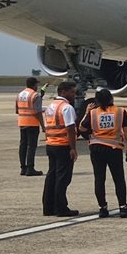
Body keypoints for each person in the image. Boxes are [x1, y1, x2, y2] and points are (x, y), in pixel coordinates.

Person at [80, 88, 127, 218]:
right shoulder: (120, 111)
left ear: (97, 101)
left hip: (96, 148)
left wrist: (86, 112)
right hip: (113, 148)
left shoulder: (93, 113)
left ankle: (102, 209)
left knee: (99, 178)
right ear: (111, 98)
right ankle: (123, 207)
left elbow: (82, 127)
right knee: (119, 178)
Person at [41, 81, 80, 216]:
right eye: (72, 92)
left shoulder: (51, 106)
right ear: (63, 92)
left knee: (51, 176)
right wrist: (73, 148)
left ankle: (48, 207)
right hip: (63, 145)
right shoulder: (66, 107)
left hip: (51, 144)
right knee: (62, 179)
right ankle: (61, 208)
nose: (74, 95)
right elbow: (70, 128)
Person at [15, 76, 44, 176]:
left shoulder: (20, 94)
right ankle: (30, 168)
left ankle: (23, 168)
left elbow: (17, 110)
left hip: (22, 122)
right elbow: (37, 112)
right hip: (32, 123)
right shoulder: (35, 95)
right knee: (31, 146)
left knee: (23, 145)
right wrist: (43, 126)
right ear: (34, 85)